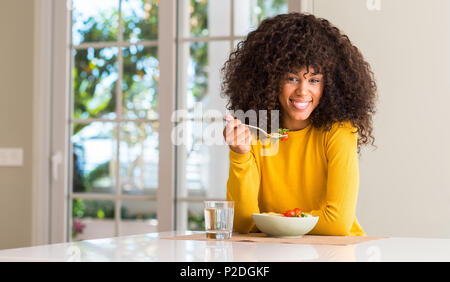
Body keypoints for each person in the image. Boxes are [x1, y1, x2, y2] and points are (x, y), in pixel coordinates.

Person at [221, 13, 377, 236]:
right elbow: (244, 222)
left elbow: (337, 223)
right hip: (272, 254)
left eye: (314, 80)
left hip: (333, 254)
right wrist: (240, 154)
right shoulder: (255, 131)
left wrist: (271, 223)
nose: (303, 91)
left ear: (330, 85)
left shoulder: (338, 131)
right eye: (292, 78)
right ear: (270, 79)